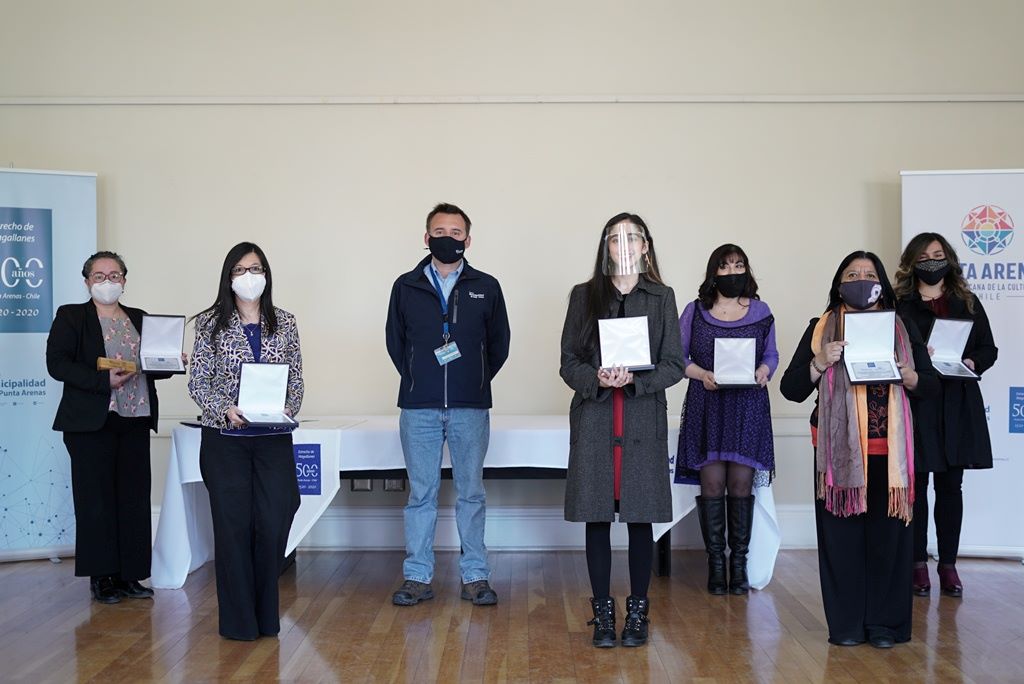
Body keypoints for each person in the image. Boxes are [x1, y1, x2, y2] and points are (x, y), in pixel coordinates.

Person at [780, 251, 938, 648]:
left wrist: (912, 375)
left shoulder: (902, 328)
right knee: (842, 544)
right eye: (852, 273)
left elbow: (932, 387)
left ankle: (886, 626)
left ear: (882, 283)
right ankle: (847, 626)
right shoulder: (820, 329)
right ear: (839, 284)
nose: (861, 279)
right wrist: (819, 362)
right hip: (838, 460)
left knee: (889, 544)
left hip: (891, 454)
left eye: (869, 273)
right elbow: (791, 388)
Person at [559, 213, 685, 648]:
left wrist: (635, 379)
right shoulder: (583, 296)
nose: (624, 244)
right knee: (596, 516)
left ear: (646, 246)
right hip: (596, 417)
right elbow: (568, 363)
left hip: (640, 418)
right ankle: (602, 613)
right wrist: (596, 377)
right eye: (615, 238)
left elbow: (674, 364)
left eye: (632, 237)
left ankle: (637, 613)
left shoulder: (662, 297)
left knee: (638, 517)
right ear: (605, 247)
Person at [385, 203, 511, 607]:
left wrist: (471, 379)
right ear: (426, 238)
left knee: (471, 492)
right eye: (440, 231)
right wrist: (418, 377)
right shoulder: (405, 286)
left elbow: (499, 344)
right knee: (421, 493)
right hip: (418, 406)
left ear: (468, 240)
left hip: (470, 407)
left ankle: (475, 575)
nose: (448, 238)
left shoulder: (486, 286)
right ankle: (417, 577)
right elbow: (395, 342)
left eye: (456, 233)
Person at [188, 242, 304, 640]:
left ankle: (267, 616)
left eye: (255, 268)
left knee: (276, 516)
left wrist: (288, 406)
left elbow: (297, 378)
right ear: (228, 277)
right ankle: (240, 625)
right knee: (233, 527)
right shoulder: (208, 323)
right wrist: (225, 408)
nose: (249, 276)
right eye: (239, 270)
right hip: (226, 438)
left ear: (267, 274)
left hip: (272, 436)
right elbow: (198, 381)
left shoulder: (284, 322)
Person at [46, 251, 177, 604]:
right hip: (91, 422)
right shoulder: (72, 316)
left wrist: (173, 359)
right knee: (96, 502)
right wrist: (103, 382)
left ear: (124, 279)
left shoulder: (139, 318)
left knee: (134, 499)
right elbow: (57, 364)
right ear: (87, 280)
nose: (108, 281)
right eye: (99, 275)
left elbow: (153, 367)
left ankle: (131, 575)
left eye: (115, 274)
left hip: (134, 418)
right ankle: (102, 578)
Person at [894, 233, 997, 597]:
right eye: (924, 256)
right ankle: (917, 563)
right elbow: (892, 351)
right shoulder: (900, 306)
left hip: (958, 404)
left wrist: (972, 360)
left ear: (949, 259)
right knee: (917, 488)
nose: (932, 261)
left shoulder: (966, 302)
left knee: (951, 487)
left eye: (939, 255)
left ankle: (949, 565)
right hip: (919, 403)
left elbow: (989, 349)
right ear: (912, 263)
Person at [677, 244, 778, 595]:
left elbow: (771, 354)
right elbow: (678, 358)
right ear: (713, 272)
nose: (732, 271)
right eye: (725, 266)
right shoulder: (695, 311)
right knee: (712, 486)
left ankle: (740, 565)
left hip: (748, 406)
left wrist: (765, 370)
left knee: (740, 486)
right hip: (708, 404)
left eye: (739, 265)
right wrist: (702, 373)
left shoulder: (762, 311)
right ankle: (716, 565)